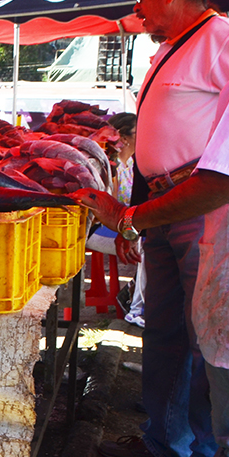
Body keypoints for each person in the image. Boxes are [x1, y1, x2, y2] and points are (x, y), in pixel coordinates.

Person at [77, 0, 229, 457]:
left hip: (215, 225)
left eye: (144, 3)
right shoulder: (171, 48)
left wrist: (135, 217)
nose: (138, 15)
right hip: (182, 212)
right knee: (179, 335)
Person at [84, 112, 145, 327]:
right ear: (125, 138)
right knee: (148, 246)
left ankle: (133, 293)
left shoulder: (134, 164)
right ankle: (137, 306)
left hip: (123, 227)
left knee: (155, 242)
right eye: (140, 131)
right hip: (101, 230)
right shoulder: (114, 166)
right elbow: (108, 211)